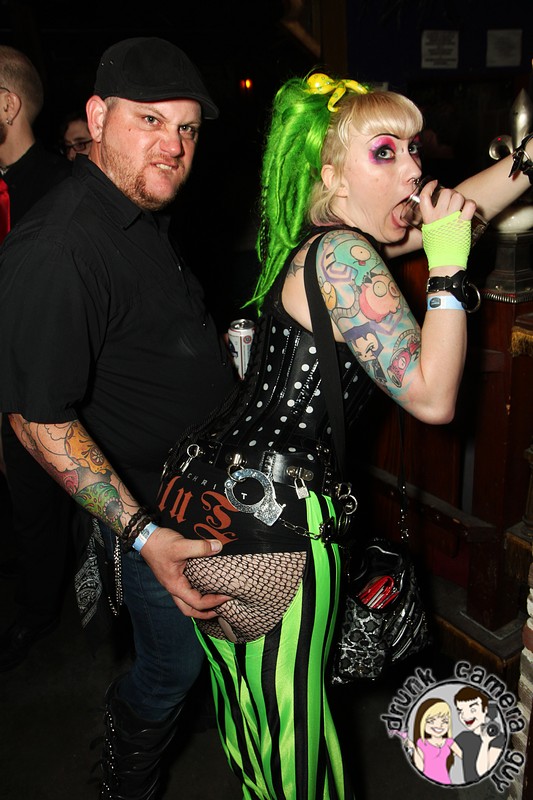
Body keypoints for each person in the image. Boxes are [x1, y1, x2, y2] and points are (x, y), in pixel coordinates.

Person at [152, 73, 533, 799]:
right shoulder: (343, 257)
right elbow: (431, 396)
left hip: (207, 503)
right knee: (296, 748)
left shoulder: (322, 243)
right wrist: (449, 264)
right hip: (274, 531)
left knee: (253, 724)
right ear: (330, 175)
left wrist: (524, 164)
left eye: (413, 149)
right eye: (385, 151)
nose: (413, 168)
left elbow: (459, 208)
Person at [0, 37, 236, 799]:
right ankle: (124, 775)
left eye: (187, 128)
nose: (173, 145)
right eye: (150, 120)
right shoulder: (60, 247)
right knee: (171, 667)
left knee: (202, 656)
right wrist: (142, 535)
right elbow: (37, 421)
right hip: (150, 515)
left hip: (200, 496)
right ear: (98, 117)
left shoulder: (136, 210)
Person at [0, 45, 73, 670]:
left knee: (46, 502)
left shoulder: (62, 188)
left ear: (7, 105)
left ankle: (45, 610)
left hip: (47, 383)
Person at [406, 698, 462, 785]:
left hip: (445, 782)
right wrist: (413, 748)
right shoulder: (422, 743)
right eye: (431, 721)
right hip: (426, 783)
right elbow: (420, 768)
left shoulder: (449, 742)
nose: (439, 725)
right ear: (422, 722)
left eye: (445, 721)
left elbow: (465, 757)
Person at [454, 686, 505, 783]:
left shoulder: (498, 738)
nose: (465, 716)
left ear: (485, 710)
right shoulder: (463, 736)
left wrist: (485, 742)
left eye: (473, 710)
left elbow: (482, 772)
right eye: (460, 711)